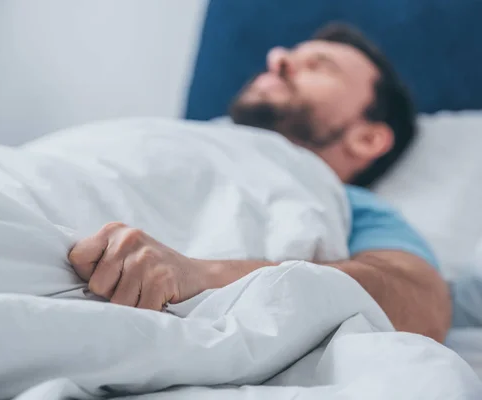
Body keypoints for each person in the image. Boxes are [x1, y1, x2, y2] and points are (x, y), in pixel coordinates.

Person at [68, 23, 451, 342]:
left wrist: (200, 274)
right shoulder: (171, 136)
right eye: (287, 54)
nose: (277, 58)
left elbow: (422, 302)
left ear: (367, 138)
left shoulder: (352, 206)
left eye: (320, 66)